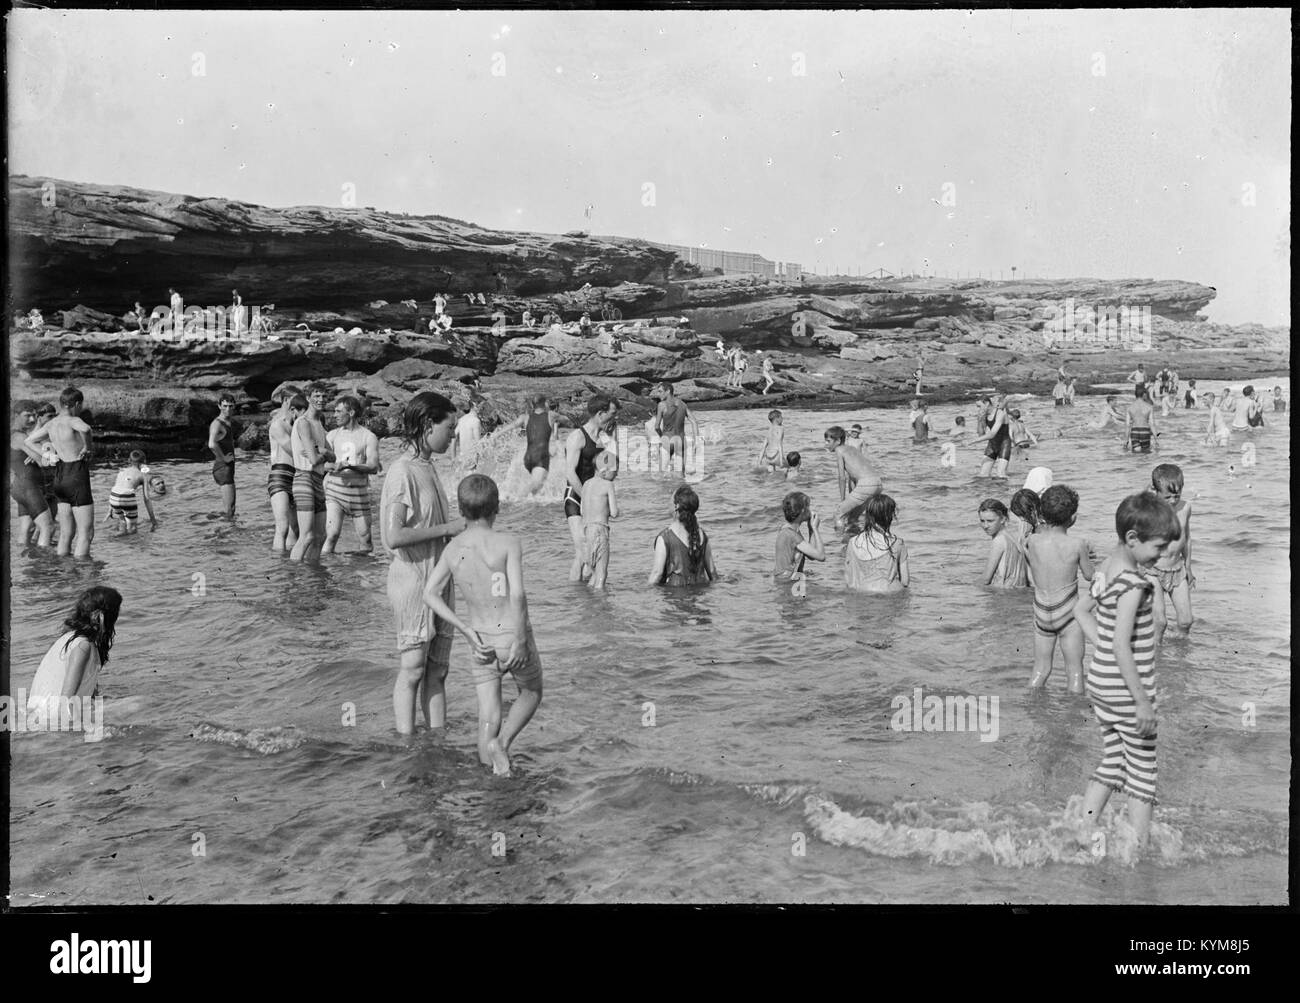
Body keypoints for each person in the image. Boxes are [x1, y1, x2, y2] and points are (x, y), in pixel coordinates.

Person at [1072, 492, 1180, 853]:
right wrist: (1142, 702)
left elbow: (1081, 611)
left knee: (1115, 759)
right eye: (1160, 547)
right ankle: (1138, 848)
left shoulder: (1105, 569)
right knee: (1143, 772)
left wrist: (1103, 650)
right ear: (1133, 539)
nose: (1164, 555)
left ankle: (1085, 829)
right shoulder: (1134, 585)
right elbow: (1122, 645)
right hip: (1126, 691)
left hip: (1101, 684)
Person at [420, 474, 542, 776]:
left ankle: (490, 778)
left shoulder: (453, 550)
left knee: (487, 713)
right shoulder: (509, 543)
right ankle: (502, 743)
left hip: (480, 640)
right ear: (496, 507)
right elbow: (518, 593)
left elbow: (430, 594)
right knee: (531, 692)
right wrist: (521, 639)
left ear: (460, 511)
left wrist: (464, 629)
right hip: (510, 636)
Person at [380, 392, 465, 736]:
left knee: (438, 670)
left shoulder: (427, 467)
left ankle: (437, 741)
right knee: (414, 667)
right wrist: (447, 529)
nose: (454, 434)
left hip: (439, 580)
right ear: (429, 425)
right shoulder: (402, 472)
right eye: (450, 427)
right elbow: (394, 536)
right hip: (413, 580)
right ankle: (406, 742)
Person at [1025, 485, 1095, 692]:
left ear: (1042, 514)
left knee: (1041, 669)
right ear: (1073, 517)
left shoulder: (1032, 540)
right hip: (1067, 613)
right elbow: (1090, 575)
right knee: (1074, 671)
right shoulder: (1077, 544)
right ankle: (1074, 717)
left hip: (1041, 613)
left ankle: (1029, 705)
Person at [27, 587, 123, 713]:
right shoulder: (83, 647)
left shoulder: (68, 638)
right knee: (140, 704)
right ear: (103, 618)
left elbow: (89, 695)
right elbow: (65, 701)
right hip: (52, 719)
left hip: (38, 716)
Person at [25, 386, 94, 558]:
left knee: (66, 533)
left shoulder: (51, 423)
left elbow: (29, 440)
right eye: (81, 405)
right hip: (77, 475)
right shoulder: (72, 420)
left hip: (60, 476)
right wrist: (87, 447)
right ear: (76, 404)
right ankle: (82, 574)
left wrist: (46, 454)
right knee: (86, 533)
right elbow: (86, 429)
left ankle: (64, 571)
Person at [564, 395, 620, 581]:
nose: (614, 418)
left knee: (592, 555)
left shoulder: (603, 439)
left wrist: (613, 441)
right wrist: (585, 498)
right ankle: (573, 597)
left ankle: (585, 601)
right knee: (583, 551)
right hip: (575, 497)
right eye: (612, 414)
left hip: (593, 501)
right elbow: (570, 473)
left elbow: (612, 471)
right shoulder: (577, 437)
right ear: (600, 413)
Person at [323, 395, 382, 554]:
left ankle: (363, 573)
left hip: (359, 494)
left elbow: (373, 466)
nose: (334, 415)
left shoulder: (368, 436)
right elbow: (320, 464)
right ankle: (323, 574)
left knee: (366, 539)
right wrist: (333, 466)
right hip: (335, 493)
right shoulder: (332, 435)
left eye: (338, 411)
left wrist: (351, 467)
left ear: (351, 413)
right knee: (332, 535)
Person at [1149, 464, 1194, 639]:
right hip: (1152, 570)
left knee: (1185, 621)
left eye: (1177, 495)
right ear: (1156, 492)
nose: (1173, 500)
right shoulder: (1150, 510)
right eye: (1167, 497)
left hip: (1177, 569)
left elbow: (1187, 537)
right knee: (1159, 622)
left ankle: (1179, 661)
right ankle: (1156, 658)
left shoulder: (1185, 508)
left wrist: (1188, 567)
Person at [289, 385, 333, 562]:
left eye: (323, 395)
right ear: (308, 398)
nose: (321, 399)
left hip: (317, 479)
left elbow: (332, 455)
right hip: (304, 478)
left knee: (321, 536)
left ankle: (312, 575)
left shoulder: (319, 424)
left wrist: (321, 450)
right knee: (306, 536)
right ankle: (295, 573)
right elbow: (314, 460)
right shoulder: (304, 422)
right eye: (317, 396)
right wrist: (324, 454)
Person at [648, 484, 716, 586]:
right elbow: (713, 573)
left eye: (670, 500)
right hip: (700, 597)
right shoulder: (702, 535)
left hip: (675, 595)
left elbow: (657, 574)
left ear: (676, 506)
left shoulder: (664, 538)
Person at [10, 401, 54, 547]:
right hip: (28, 487)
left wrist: (36, 451)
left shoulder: (16, 434)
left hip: (19, 486)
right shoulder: (20, 437)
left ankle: (24, 561)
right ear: (16, 415)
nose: (32, 419)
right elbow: (43, 462)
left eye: (34, 416)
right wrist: (47, 452)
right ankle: (42, 564)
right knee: (48, 527)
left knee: (27, 529)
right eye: (27, 416)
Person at [844, 493, 909, 592]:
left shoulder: (853, 542)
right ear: (889, 517)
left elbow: (849, 580)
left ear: (869, 515)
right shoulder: (897, 543)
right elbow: (905, 582)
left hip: (862, 595)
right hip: (889, 595)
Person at [825, 425, 884, 530]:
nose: (826, 445)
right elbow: (854, 474)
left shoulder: (839, 450)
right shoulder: (852, 448)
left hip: (866, 484)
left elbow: (842, 478)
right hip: (877, 482)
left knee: (839, 513)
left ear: (838, 441)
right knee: (852, 517)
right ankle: (855, 538)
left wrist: (842, 500)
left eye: (828, 441)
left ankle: (840, 541)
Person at [267, 385, 302, 552]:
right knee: (282, 526)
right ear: (287, 401)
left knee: (295, 527)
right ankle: (278, 566)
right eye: (297, 400)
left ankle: (290, 568)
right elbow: (292, 449)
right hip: (280, 474)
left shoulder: (297, 423)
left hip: (296, 474)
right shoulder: (277, 424)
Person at [580, 450, 620, 590]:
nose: (616, 474)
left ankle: (589, 601)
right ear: (606, 469)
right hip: (600, 530)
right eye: (615, 471)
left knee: (594, 573)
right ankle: (600, 608)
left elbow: (581, 511)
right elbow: (614, 513)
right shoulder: (608, 485)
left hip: (586, 532)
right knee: (602, 574)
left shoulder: (585, 484)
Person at [503, 395, 554, 495]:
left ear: (532, 404)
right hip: (540, 456)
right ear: (544, 403)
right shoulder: (551, 415)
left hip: (528, 458)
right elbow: (568, 420)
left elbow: (512, 426)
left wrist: (495, 435)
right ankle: (513, 497)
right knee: (535, 486)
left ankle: (529, 506)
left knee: (537, 489)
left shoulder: (525, 417)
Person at [773, 491, 826, 582]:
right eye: (808, 506)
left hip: (782, 579)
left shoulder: (788, 529)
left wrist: (811, 529)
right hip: (788, 582)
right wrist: (815, 529)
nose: (810, 510)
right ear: (802, 511)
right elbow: (821, 556)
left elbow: (811, 555)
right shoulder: (793, 536)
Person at [104, 450, 157, 534]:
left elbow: (116, 488)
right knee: (133, 528)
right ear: (144, 462)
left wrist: (110, 510)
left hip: (113, 497)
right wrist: (153, 520)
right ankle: (130, 544)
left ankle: (119, 540)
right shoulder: (143, 475)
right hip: (127, 498)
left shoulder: (121, 471)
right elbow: (146, 499)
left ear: (129, 460)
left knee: (122, 521)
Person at [978, 498, 1027, 587]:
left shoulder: (999, 540)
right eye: (982, 521)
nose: (985, 526)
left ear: (1003, 519)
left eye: (990, 521)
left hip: (1002, 596)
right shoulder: (1014, 539)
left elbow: (985, 579)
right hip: (1014, 595)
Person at [654, 382, 696, 474]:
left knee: (662, 474)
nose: (658, 394)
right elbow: (693, 421)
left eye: (660, 391)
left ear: (668, 391)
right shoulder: (683, 404)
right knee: (680, 474)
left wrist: (662, 437)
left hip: (667, 441)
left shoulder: (662, 405)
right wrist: (696, 440)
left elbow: (656, 427)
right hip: (680, 442)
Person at [208, 394, 239, 517]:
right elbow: (211, 444)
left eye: (230, 406)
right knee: (230, 509)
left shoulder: (228, 422)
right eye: (225, 406)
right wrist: (224, 457)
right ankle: (227, 533)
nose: (228, 409)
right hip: (223, 468)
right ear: (219, 406)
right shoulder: (217, 424)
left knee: (230, 508)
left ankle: (217, 523)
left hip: (227, 468)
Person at [971, 394, 1013, 478]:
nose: (978, 409)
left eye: (979, 406)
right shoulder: (984, 415)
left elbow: (992, 433)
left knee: (1000, 475)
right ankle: (986, 491)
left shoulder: (1000, 413)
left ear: (986, 403)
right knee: (982, 475)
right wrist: (980, 420)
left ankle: (1006, 490)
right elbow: (981, 434)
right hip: (992, 445)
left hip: (1004, 444)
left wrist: (974, 441)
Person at [1124, 385, 1156, 453]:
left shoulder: (1129, 407)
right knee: (1146, 452)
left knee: (1136, 453)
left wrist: (1126, 440)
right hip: (1145, 431)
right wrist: (1156, 439)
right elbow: (1152, 424)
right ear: (1144, 395)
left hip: (1134, 431)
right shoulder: (1149, 407)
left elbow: (1127, 425)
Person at [453, 400, 483, 467]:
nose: (481, 408)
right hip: (472, 460)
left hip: (462, 459)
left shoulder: (461, 420)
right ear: (475, 407)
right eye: (481, 406)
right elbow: (478, 444)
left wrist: (453, 458)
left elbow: (453, 437)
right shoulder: (476, 421)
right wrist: (476, 463)